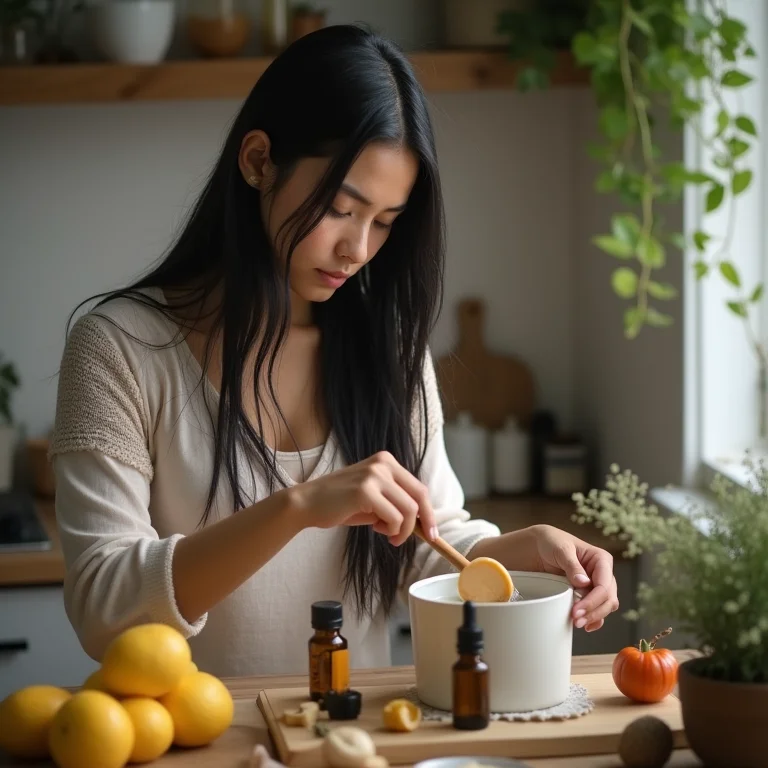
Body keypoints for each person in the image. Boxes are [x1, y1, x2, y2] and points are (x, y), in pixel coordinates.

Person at [51, 24, 618, 678]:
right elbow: (102, 610)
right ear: (259, 161)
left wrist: (525, 550)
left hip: (353, 737)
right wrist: (297, 508)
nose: (359, 249)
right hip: (189, 739)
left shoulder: (388, 348)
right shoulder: (120, 350)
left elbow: (428, 543)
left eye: (385, 221)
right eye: (342, 209)